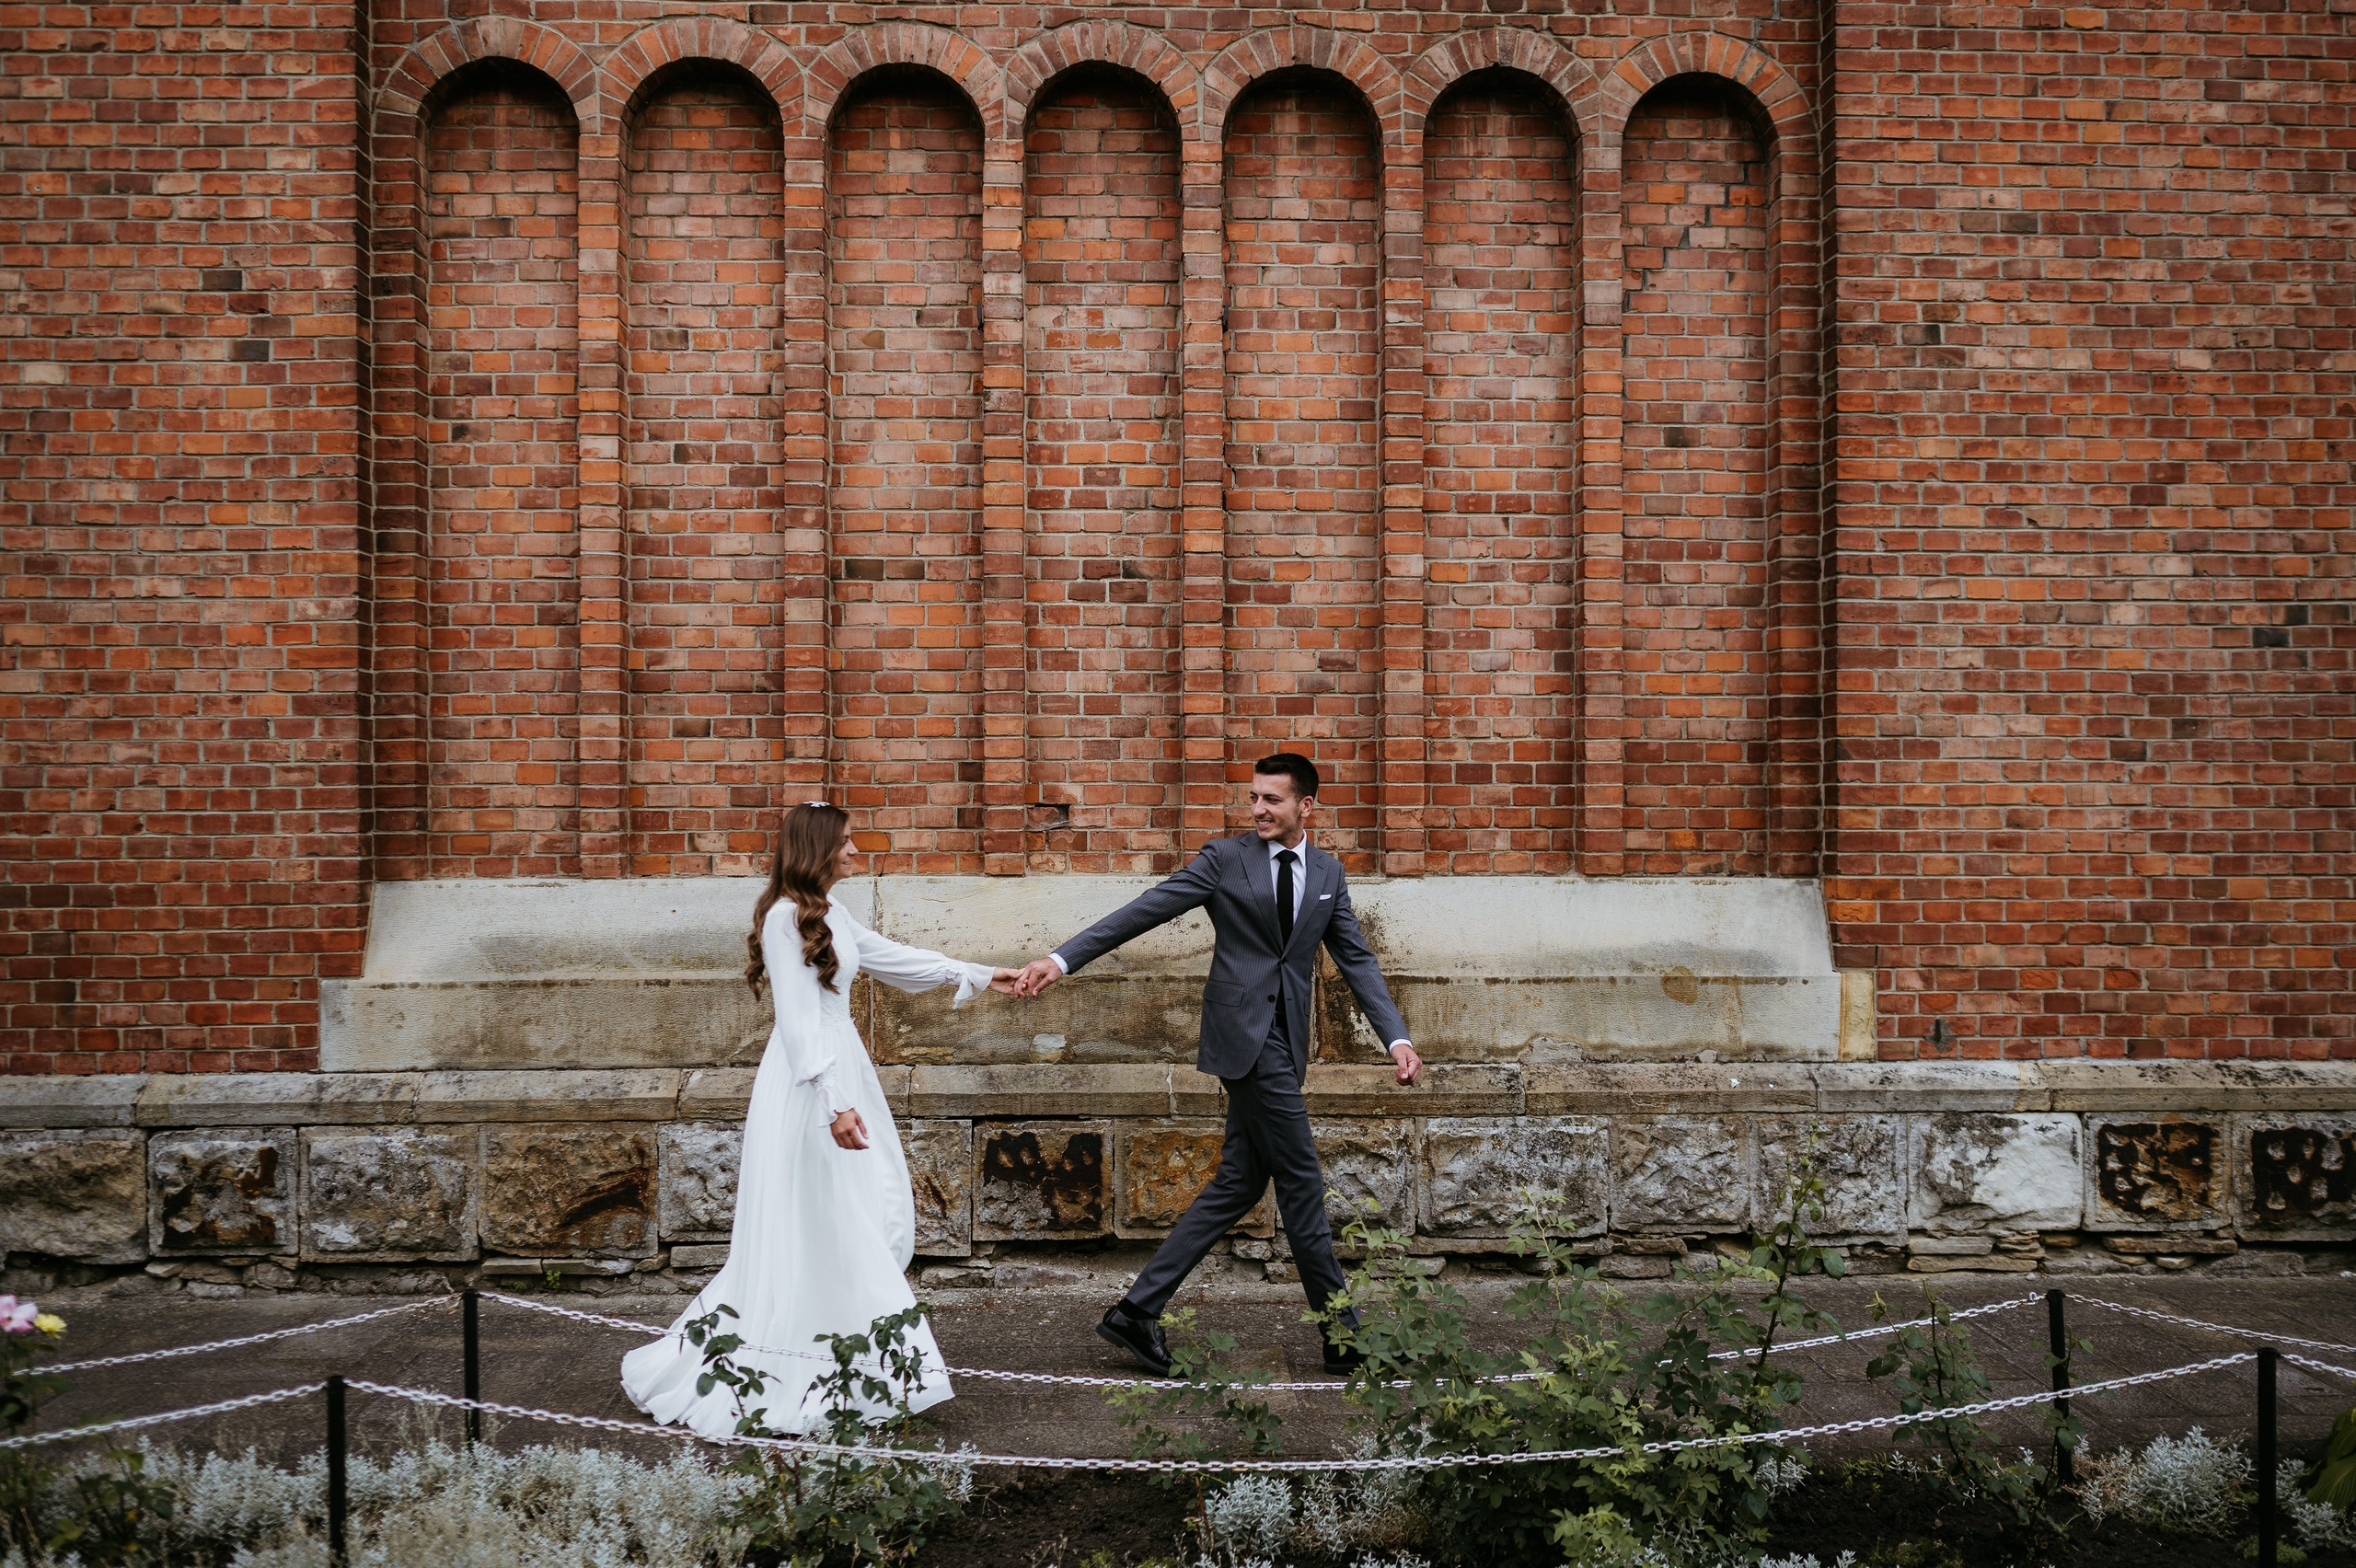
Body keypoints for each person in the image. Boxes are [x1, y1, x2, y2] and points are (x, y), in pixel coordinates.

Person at [1012, 753, 1422, 1377]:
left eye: (1271, 800)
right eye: (1254, 797)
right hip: (1247, 1042)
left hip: (1288, 1042)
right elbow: (1145, 910)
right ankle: (1344, 1337)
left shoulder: (1328, 875)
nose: (1257, 809)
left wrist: (1395, 1039)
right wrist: (1061, 960)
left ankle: (1135, 1311)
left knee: (1239, 1184)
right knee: (1304, 1185)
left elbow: (1357, 961)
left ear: (1305, 807)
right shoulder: (1225, 860)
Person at [622, 801, 1021, 1438]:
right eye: (846, 841)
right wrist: (834, 1103)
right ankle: (825, 1370)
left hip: (842, 1071)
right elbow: (797, 1018)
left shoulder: (831, 912)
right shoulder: (785, 919)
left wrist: (975, 974)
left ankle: (849, 1360)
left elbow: (890, 957)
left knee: (872, 1208)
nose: (857, 849)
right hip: (811, 1085)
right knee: (837, 1216)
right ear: (819, 848)